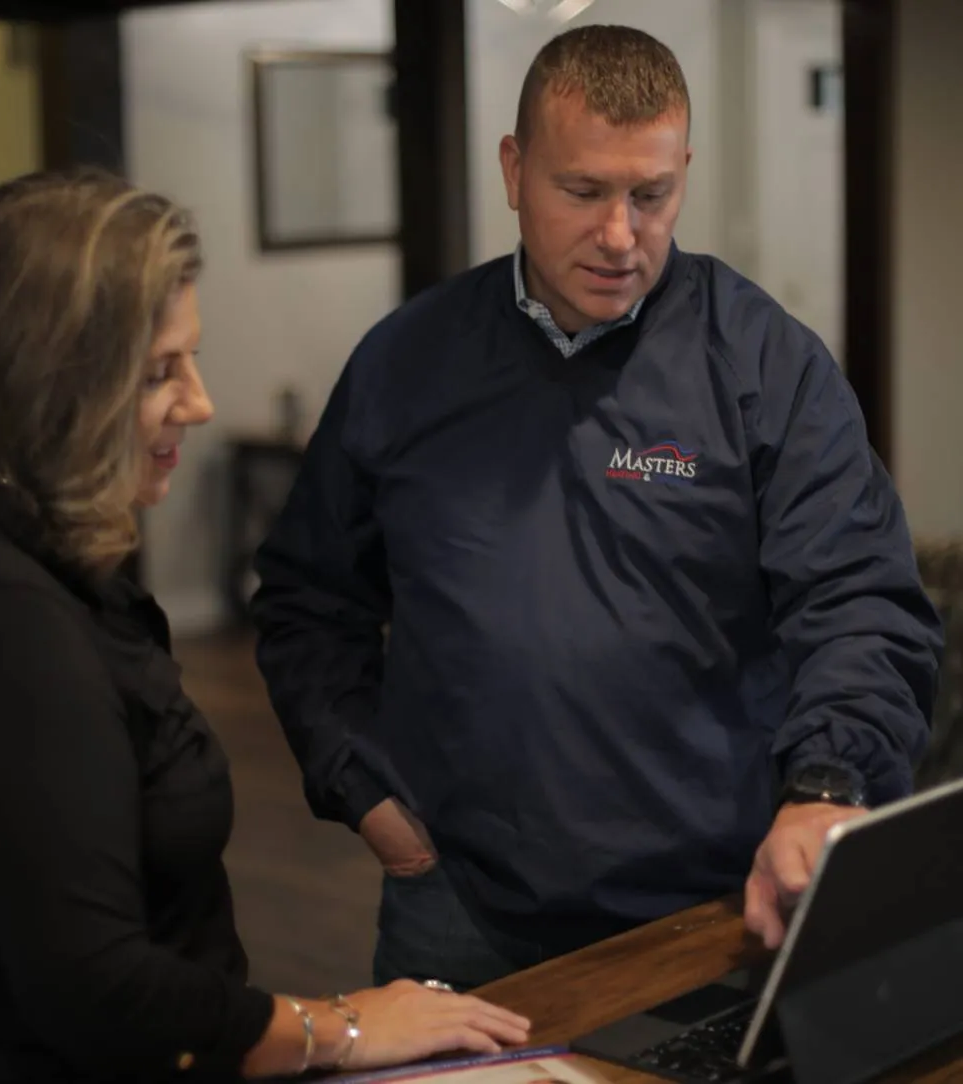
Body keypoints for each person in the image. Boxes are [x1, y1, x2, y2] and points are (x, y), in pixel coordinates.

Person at [249, 24, 943, 992]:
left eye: (650, 195)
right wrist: (359, 784)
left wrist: (827, 786)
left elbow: (863, 601)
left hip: (711, 906)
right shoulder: (406, 363)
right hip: (458, 905)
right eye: (583, 192)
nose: (621, 235)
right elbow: (305, 599)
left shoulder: (762, 364)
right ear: (514, 169)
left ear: (682, 174)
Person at [0, 168, 531, 1083]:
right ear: (49, 377)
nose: (199, 401)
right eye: (158, 372)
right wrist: (339, 1027)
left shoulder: (23, 560)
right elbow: (95, 986)